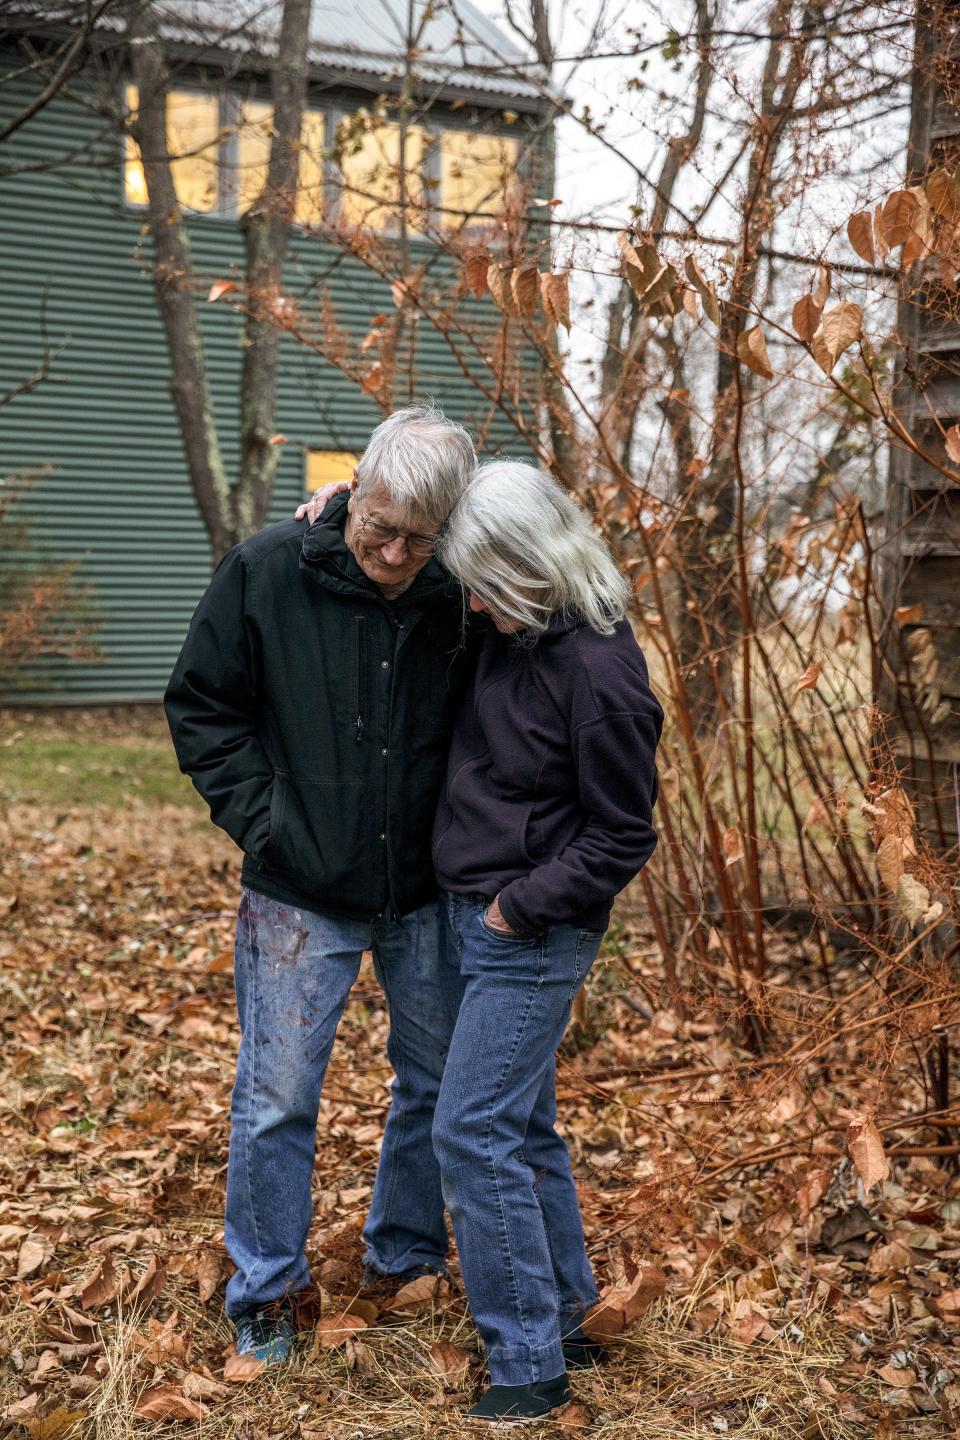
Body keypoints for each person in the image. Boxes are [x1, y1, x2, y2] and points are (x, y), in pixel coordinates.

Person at [164, 405, 478, 1369]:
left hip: (428, 886)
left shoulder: (464, 589)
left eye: (420, 539)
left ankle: (407, 1256)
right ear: (353, 488)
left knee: (432, 1085)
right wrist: (269, 825)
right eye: (379, 525)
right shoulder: (268, 568)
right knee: (277, 1094)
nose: (392, 552)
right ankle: (262, 1287)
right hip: (298, 889)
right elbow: (203, 707)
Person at [429, 461, 663, 1424]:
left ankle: (528, 1366)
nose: (474, 604)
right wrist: (331, 516)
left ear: (533, 565)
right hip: (472, 911)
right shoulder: (510, 630)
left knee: (470, 1131)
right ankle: (566, 1313)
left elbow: (623, 833)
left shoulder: (602, 671)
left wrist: (517, 910)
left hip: (530, 935)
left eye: (488, 582)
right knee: (521, 1128)